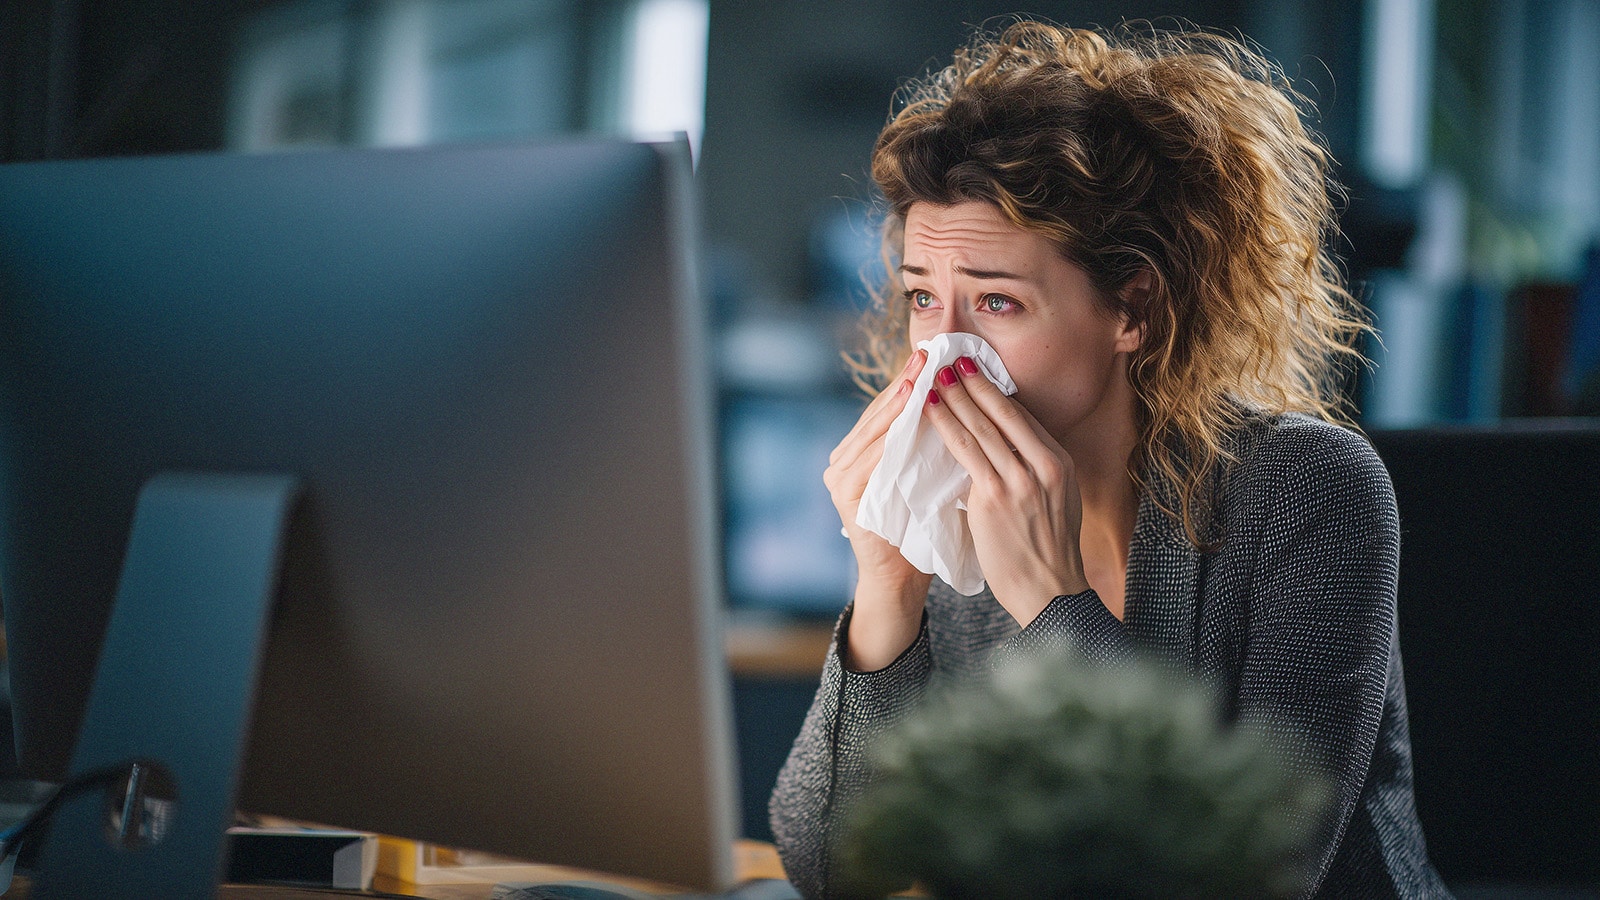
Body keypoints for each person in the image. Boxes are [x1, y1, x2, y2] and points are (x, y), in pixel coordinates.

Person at [768, 20, 1450, 899]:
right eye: (923, 298)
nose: (942, 354)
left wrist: (1055, 605)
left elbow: (1250, 870)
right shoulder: (948, 514)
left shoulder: (1309, 487)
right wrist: (888, 589)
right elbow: (827, 866)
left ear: (1132, 309)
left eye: (999, 303)